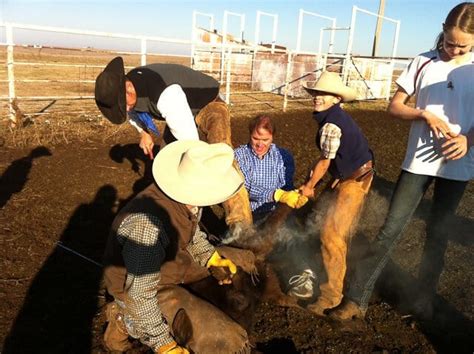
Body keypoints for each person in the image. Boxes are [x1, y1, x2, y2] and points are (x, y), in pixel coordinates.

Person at [329, 2, 474, 321]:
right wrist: (422, 113)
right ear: (443, 31)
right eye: (449, 41)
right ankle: (356, 298)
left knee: (438, 232)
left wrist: (467, 139)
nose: (453, 49)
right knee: (391, 228)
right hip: (418, 161)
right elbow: (394, 106)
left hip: (458, 163)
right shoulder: (423, 61)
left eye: (462, 45)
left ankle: (423, 301)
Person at [102, 140, 252, 353]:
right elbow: (140, 296)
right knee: (227, 340)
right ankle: (122, 319)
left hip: (168, 262)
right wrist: (164, 345)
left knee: (243, 259)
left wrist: (210, 257)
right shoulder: (146, 227)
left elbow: (191, 232)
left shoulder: (187, 199)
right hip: (139, 288)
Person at [94, 56, 252, 231]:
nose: (127, 110)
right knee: (166, 162)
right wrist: (143, 133)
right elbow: (133, 113)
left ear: (127, 89)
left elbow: (191, 145)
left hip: (208, 104)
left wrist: (191, 198)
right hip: (182, 112)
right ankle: (172, 213)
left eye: (124, 106)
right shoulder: (131, 86)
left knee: (220, 158)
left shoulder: (165, 95)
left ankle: (240, 225)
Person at [299, 71, 375, 315]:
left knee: (331, 235)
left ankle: (331, 297)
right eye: (317, 93)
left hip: (354, 180)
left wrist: (310, 186)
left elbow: (323, 161)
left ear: (336, 99)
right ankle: (339, 274)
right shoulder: (336, 118)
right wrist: (339, 175)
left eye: (324, 94)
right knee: (336, 230)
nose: (317, 97)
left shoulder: (331, 124)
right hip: (355, 174)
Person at [234, 115, 303, 222]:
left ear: (272, 137)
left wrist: (294, 194)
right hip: (248, 214)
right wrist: (276, 194)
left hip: (276, 213)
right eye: (255, 138)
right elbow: (244, 186)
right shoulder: (239, 155)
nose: (260, 144)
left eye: (265, 139)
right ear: (249, 135)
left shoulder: (283, 156)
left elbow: (287, 185)